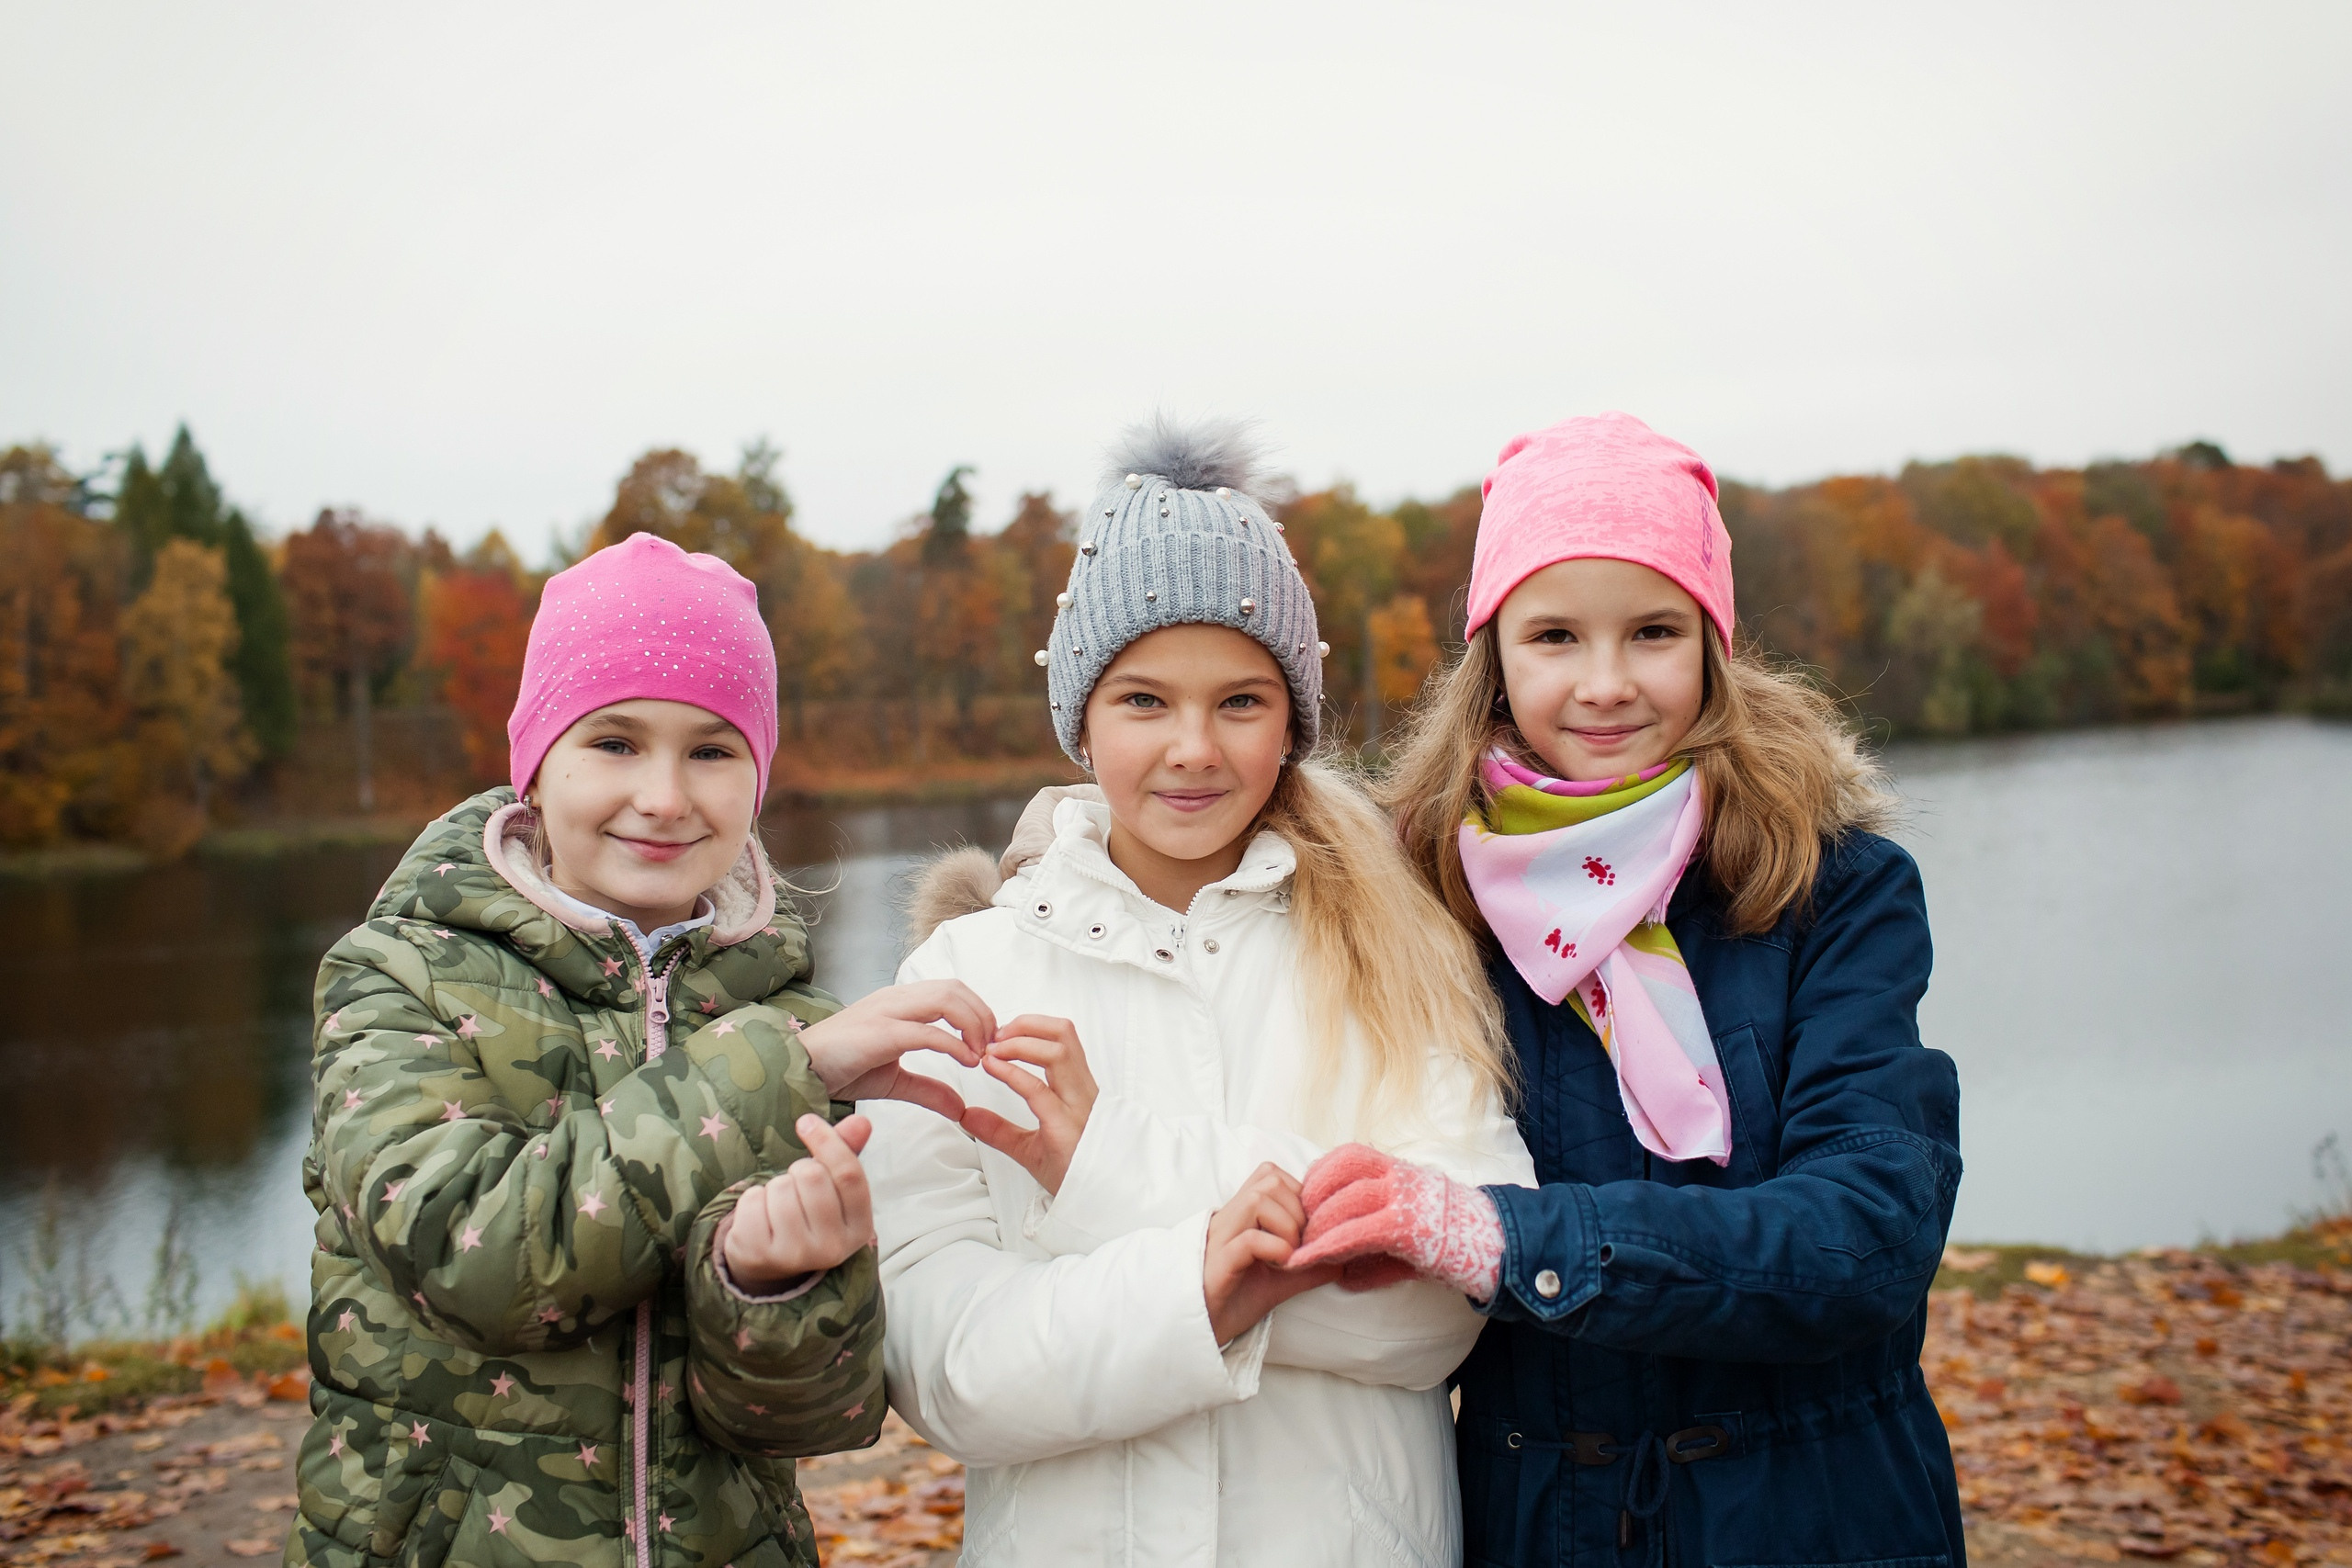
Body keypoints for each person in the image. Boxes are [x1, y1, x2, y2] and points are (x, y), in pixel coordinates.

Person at [1291, 413, 1964, 1566]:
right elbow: (1207, 883)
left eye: (1651, 631)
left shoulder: (1832, 884)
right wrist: (1079, 843)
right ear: (1492, 656)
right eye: (1554, 636)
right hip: (1540, 1524)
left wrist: (1511, 1241)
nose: (1604, 686)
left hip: (1821, 1514)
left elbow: (1869, 1237)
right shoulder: (1415, 894)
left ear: (1711, 642)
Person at [861, 419, 1537, 1567]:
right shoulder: (963, 981)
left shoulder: (1391, 951)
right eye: (1142, 701)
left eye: (1240, 701)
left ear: (1293, 717)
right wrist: (1211, 1285)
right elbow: (950, 1370)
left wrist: (1106, 1172)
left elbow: (1441, 1312)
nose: (1192, 750)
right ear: (1080, 717)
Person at [288, 532, 999, 1568]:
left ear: (755, 779)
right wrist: (779, 1071)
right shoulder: (399, 976)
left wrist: (772, 1285)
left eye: (712, 751)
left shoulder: (786, 1009)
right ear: (536, 763)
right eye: (614, 743)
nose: (665, 796)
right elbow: (472, 1255)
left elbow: (812, 1422)